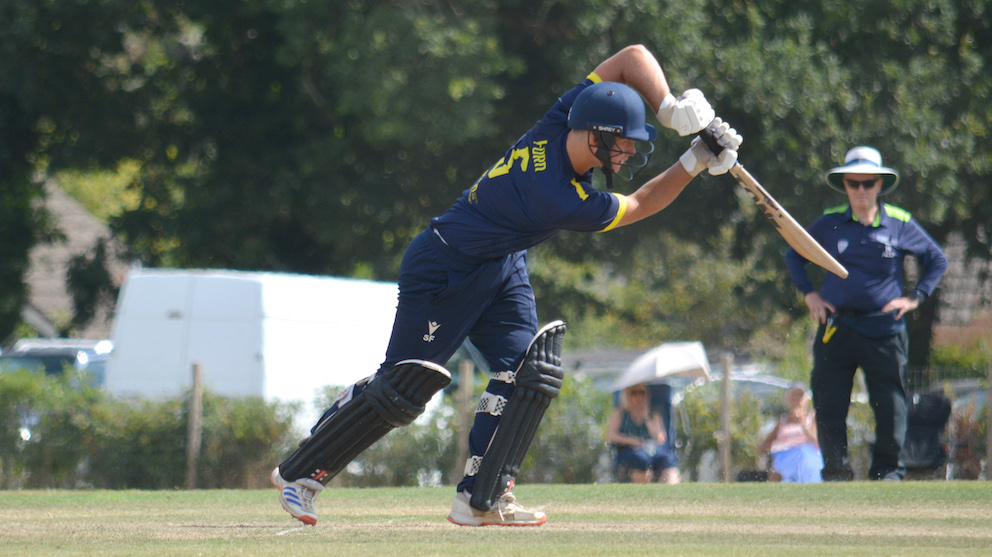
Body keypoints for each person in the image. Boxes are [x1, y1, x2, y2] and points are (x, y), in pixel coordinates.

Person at [270, 44, 743, 527]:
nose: (627, 154)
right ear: (596, 136)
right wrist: (695, 159)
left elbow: (631, 57)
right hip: (443, 268)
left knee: (530, 373)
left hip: (501, 264)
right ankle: (301, 473)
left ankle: (482, 499)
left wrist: (668, 107)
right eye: (622, 143)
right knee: (402, 391)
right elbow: (640, 205)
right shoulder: (558, 197)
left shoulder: (562, 117)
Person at [785, 146, 947, 481]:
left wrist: (915, 297)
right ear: (844, 185)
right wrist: (811, 295)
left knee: (890, 405)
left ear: (879, 185)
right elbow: (793, 254)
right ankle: (836, 471)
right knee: (829, 403)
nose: (861, 190)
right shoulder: (829, 223)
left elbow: (938, 259)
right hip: (836, 327)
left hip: (885, 328)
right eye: (853, 183)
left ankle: (888, 473)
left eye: (868, 183)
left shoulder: (900, 222)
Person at [605, 384, 680, 484]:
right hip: (631, 451)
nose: (639, 396)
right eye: (634, 393)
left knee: (668, 461)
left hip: (654, 450)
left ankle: (669, 494)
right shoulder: (621, 414)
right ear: (627, 396)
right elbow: (610, 436)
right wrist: (631, 441)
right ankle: (645, 493)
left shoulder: (654, 414)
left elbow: (660, 438)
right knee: (640, 460)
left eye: (642, 392)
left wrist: (646, 418)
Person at [758, 383, 823, 483]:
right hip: (785, 458)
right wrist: (776, 448)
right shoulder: (782, 421)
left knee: (802, 455)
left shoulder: (811, 418)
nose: (797, 401)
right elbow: (764, 446)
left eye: (800, 397)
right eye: (793, 397)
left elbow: (817, 443)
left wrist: (803, 424)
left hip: (808, 458)